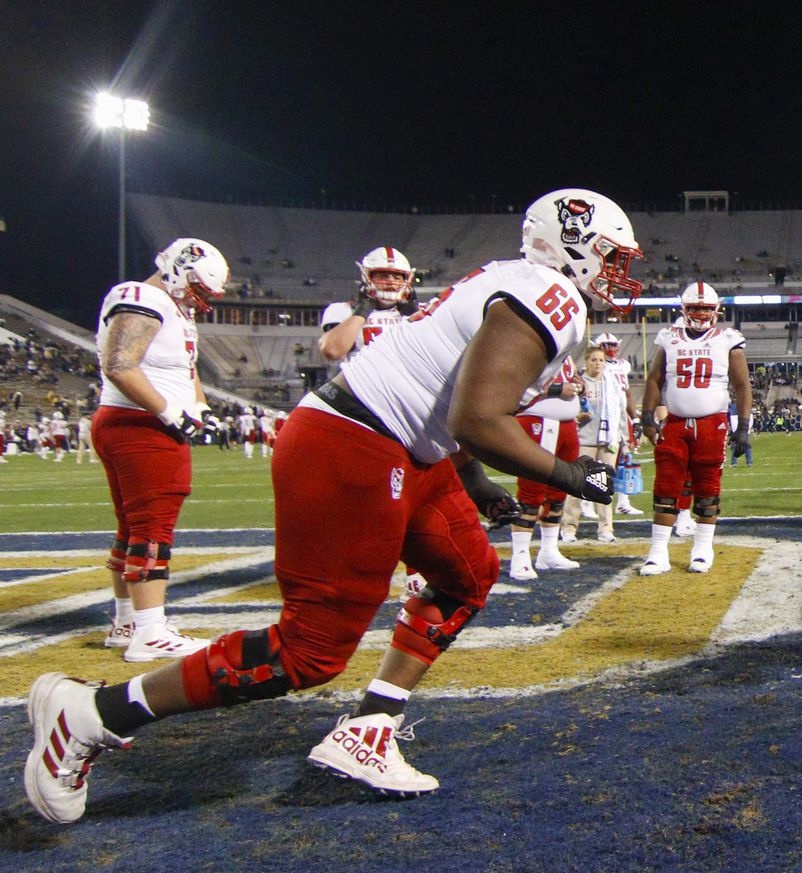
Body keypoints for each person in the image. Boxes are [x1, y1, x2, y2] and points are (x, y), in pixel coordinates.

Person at [23, 188, 640, 823]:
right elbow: (478, 416)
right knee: (309, 651)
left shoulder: (514, 280)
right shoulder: (550, 294)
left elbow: (439, 389)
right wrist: (575, 476)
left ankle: (369, 727)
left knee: (468, 571)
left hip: (402, 447)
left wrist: (475, 483)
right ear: (572, 243)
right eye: (611, 256)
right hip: (356, 445)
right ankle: (92, 715)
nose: (620, 273)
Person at [92, 238, 228, 663]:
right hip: (140, 426)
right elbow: (119, 365)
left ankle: (127, 621)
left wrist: (200, 407)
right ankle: (149, 630)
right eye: (198, 289)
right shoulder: (145, 296)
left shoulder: (169, 306)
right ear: (177, 267)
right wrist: (171, 412)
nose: (201, 300)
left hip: (132, 423)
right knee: (152, 528)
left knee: (131, 528)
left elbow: (184, 370)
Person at [639, 282, 750, 574]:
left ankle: (702, 548)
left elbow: (742, 385)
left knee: (707, 484)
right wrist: (647, 416)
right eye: (695, 308)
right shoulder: (669, 336)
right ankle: (658, 551)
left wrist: (744, 426)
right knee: (666, 483)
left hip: (712, 422)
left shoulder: (728, 338)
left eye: (705, 308)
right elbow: (654, 379)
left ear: (716, 310)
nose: (700, 313)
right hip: (675, 421)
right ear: (683, 309)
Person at [507, 356, 585, 579]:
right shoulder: (534, 345)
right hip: (539, 421)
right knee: (532, 491)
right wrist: (558, 389)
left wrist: (580, 385)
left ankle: (549, 550)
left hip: (566, 424)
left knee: (559, 491)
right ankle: (520, 556)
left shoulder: (565, 350)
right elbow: (518, 382)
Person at [562, 345, 626, 544]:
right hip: (583, 439)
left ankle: (606, 529)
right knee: (576, 485)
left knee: (603, 486)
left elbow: (620, 411)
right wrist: (576, 416)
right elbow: (566, 409)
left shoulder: (612, 384)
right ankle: (569, 527)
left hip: (607, 441)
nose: (598, 363)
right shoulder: (578, 384)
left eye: (601, 360)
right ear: (586, 362)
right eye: (594, 360)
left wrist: (622, 436)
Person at [319, 247, 419, 364]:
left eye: (397, 277)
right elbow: (333, 351)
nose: (390, 281)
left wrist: (415, 318)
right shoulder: (344, 310)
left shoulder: (420, 311)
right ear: (367, 277)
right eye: (383, 276)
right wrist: (362, 310)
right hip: (363, 380)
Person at [595, 332, 643, 518]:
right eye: (606, 344)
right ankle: (587, 501)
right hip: (605, 417)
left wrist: (635, 419)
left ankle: (623, 502)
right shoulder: (596, 364)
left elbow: (628, 394)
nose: (610, 348)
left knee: (625, 459)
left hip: (622, 418)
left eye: (613, 344)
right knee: (599, 462)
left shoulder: (624, 365)